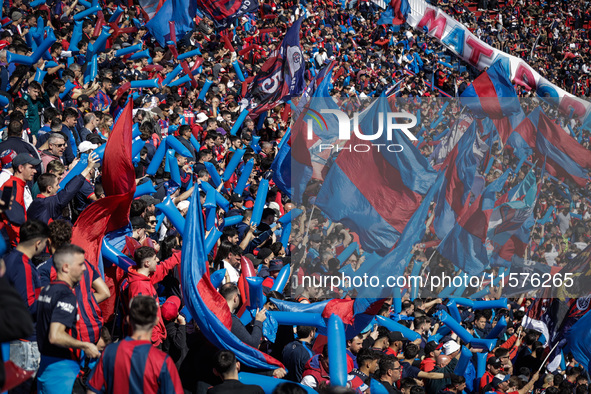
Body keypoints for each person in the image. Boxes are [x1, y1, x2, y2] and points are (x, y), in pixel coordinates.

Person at [36, 244, 101, 393]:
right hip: (63, 372)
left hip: (45, 368)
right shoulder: (66, 295)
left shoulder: (46, 290)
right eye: (80, 264)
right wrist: (85, 345)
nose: (84, 269)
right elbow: (55, 335)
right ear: (66, 267)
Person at [86, 295, 184, 394]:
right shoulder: (162, 361)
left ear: (128, 319)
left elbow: (93, 390)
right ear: (156, 321)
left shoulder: (109, 352)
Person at [125, 246, 181, 346]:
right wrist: (155, 340)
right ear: (147, 263)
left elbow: (165, 266)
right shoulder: (139, 287)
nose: (158, 260)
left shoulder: (146, 276)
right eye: (155, 259)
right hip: (150, 341)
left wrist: (182, 253)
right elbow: (142, 320)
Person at [27, 152, 99, 223]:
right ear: (49, 188)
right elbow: (70, 189)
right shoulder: (51, 202)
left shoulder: (33, 205)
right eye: (56, 185)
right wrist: (88, 168)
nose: (59, 187)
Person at [1, 153, 41, 243]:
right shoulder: (12, 186)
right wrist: (19, 243)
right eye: (31, 167)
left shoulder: (17, 184)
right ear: (20, 168)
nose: (35, 171)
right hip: (14, 242)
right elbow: (8, 219)